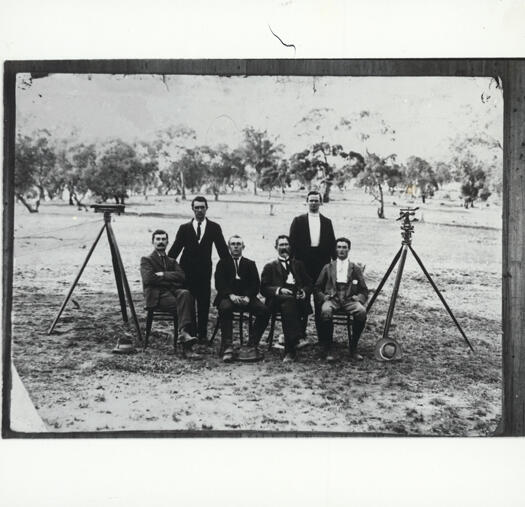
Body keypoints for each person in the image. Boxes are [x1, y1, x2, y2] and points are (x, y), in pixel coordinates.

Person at [168, 196, 229, 344]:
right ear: (192, 209)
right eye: (197, 207)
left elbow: (223, 253)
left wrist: (228, 272)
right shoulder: (184, 228)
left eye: (202, 207)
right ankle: (190, 333)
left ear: (207, 208)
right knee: (189, 301)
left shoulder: (214, 227)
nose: (200, 210)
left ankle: (202, 334)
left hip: (204, 273)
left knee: (203, 303)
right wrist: (167, 270)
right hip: (186, 273)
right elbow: (174, 252)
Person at [140, 229, 199, 357]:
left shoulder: (172, 261)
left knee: (186, 294)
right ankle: (186, 345)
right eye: (158, 239)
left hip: (172, 293)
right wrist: (171, 281)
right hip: (157, 296)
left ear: (167, 242)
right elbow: (149, 279)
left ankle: (183, 335)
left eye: (163, 239)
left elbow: (182, 276)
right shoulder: (146, 260)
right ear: (153, 242)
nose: (161, 242)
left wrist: (163, 274)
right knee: (185, 305)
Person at [289, 190, 336, 348]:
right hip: (302, 265)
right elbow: (292, 245)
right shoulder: (298, 221)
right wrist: (293, 266)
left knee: (320, 300)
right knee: (301, 299)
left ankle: (323, 339)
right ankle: (299, 336)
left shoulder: (327, 222)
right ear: (307, 202)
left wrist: (336, 263)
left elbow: (332, 245)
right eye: (311, 200)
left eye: (317, 200)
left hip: (321, 266)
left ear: (321, 203)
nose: (314, 203)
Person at [214, 235, 270, 363]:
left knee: (264, 311)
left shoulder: (250, 264)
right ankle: (227, 346)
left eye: (238, 244)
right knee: (225, 308)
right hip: (228, 296)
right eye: (233, 244)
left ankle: (252, 344)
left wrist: (248, 296)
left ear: (243, 247)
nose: (235, 246)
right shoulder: (222, 263)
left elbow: (256, 283)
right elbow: (219, 283)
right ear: (229, 247)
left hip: (247, 297)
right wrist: (230, 295)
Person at [314, 237, 368, 362]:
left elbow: (364, 290)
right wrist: (323, 297)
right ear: (335, 249)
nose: (341, 250)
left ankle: (353, 348)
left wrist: (359, 298)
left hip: (349, 299)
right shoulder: (328, 267)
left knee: (361, 311)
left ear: (349, 249)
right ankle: (328, 349)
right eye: (339, 247)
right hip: (333, 298)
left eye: (344, 247)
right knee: (326, 310)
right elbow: (317, 287)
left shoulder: (355, 268)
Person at [261, 235, 313, 363]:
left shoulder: (299, 265)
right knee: (288, 303)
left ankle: (291, 342)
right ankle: (292, 347)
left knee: (290, 304)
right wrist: (279, 290)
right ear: (276, 247)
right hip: (276, 303)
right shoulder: (270, 266)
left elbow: (309, 284)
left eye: (286, 245)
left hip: (297, 302)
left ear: (290, 247)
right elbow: (263, 288)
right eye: (281, 245)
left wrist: (304, 292)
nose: (284, 248)